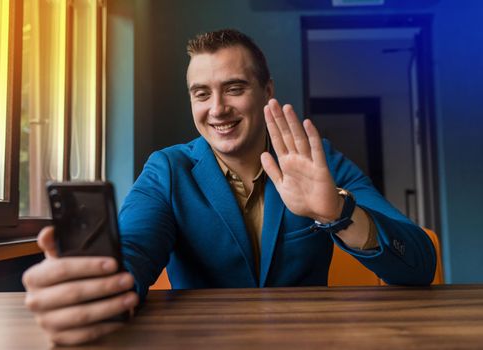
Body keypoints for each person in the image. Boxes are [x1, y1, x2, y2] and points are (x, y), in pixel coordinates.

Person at [22, 28, 436, 345]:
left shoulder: (318, 162)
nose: (217, 109)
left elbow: (418, 264)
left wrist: (339, 213)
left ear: (266, 91)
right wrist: (90, 293)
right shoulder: (167, 169)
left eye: (234, 89)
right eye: (201, 93)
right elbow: (132, 250)